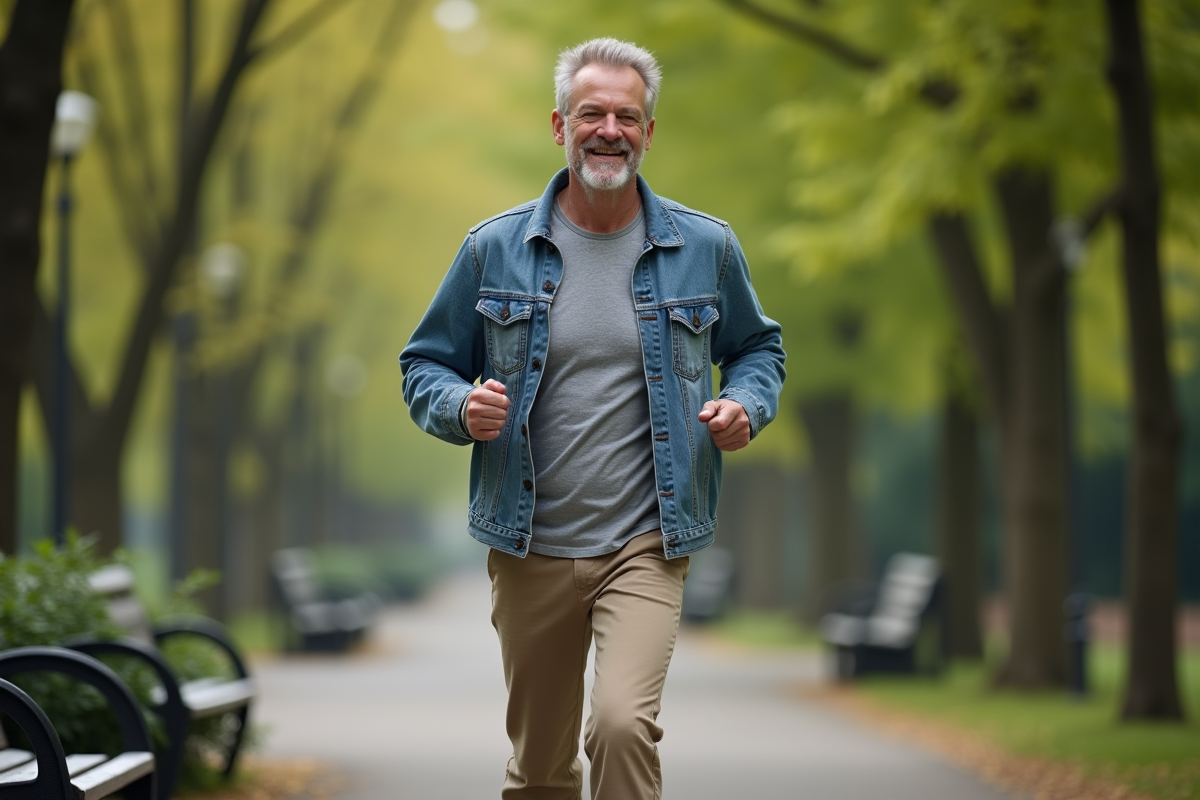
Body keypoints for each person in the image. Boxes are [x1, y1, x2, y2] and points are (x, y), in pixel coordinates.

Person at [399, 37, 785, 800]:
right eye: (592, 113)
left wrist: (746, 403)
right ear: (559, 126)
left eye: (627, 116)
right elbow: (424, 364)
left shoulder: (705, 248)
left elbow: (757, 349)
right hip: (528, 539)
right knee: (540, 768)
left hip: (645, 541)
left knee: (619, 725)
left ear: (649, 131)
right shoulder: (494, 250)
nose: (609, 129)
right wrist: (458, 406)